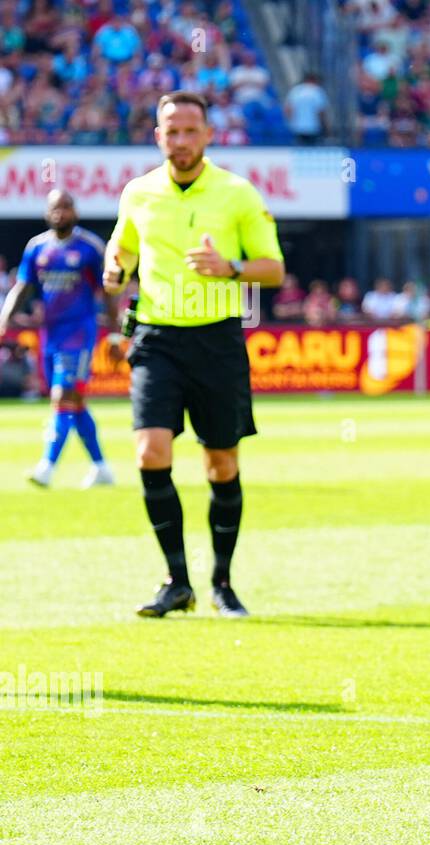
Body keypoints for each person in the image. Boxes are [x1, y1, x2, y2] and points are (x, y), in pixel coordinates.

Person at [103, 91, 285, 618]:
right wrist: (117, 269)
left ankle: (223, 584)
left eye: (190, 131)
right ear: (158, 136)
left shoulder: (237, 193)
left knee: (221, 463)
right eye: (170, 131)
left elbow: (272, 269)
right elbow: (124, 248)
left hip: (217, 341)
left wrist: (228, 267)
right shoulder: (138, 193)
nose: (180, 141)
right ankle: (176, 581)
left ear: (208, 135)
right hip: (157, 338)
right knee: (150, 453)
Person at [0, 190, 116, 489]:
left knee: (61, 397)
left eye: (66, 207)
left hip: (79, 334)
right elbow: (23, 287)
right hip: (49, 336)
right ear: (46, 213)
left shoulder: (89, 247)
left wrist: (115, 334)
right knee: (74, 403)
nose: (60, 213)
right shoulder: (37, 248)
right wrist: (3, 320)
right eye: (55, 208)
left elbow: (108, 291)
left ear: (75, 212)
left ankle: (46, 467)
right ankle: (101, 468)